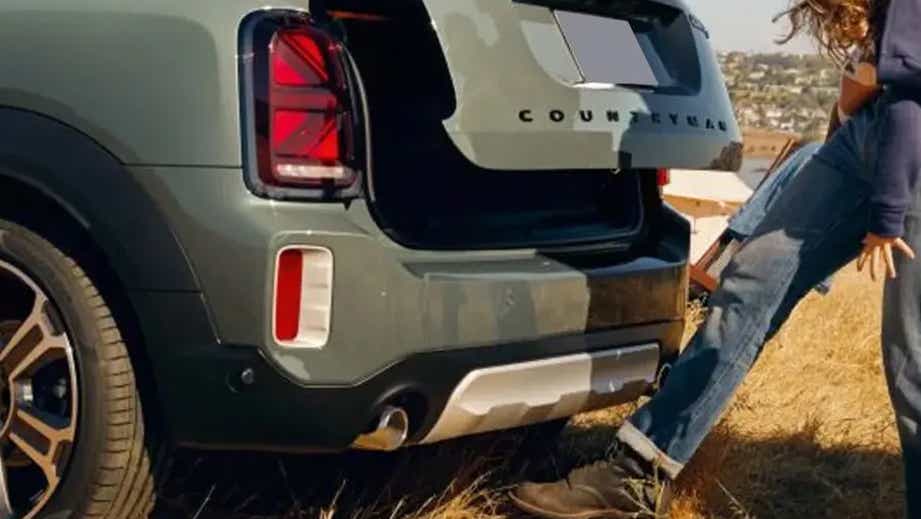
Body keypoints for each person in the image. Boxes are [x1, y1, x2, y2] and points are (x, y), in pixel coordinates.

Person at [510, 0, 921, 517]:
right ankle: (639, 469)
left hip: (913, 142)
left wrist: (887, 213)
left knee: (911, 360)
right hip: (867, 135)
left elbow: (910, 85)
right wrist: (854, 97)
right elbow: (877, 72)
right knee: (751, 281)